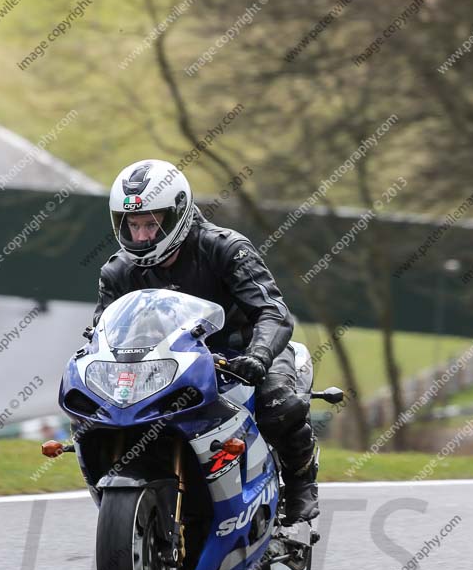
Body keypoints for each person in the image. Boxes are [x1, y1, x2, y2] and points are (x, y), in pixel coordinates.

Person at [92, 159, 319, 533]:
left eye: (151, 224)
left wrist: (259, 356)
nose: (143, 235)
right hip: (166, 366)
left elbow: (273, 311)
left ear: (178, 212)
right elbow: (102, 331)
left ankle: (300, 482)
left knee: (278, 402)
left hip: (240, 356)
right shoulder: (117, 271)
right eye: (133, 225)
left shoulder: (226, 249)